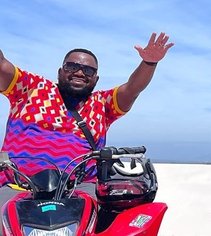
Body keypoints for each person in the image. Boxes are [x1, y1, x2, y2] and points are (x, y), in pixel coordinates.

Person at [0, 33, 173, 206]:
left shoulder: (103, 104)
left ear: (96, 79)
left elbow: (131, 89)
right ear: (60, 71)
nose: (80, 72)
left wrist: (149, 62)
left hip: (79, 191)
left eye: (88, 70)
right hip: (16, 188)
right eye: (72, 67)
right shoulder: (30, 88)